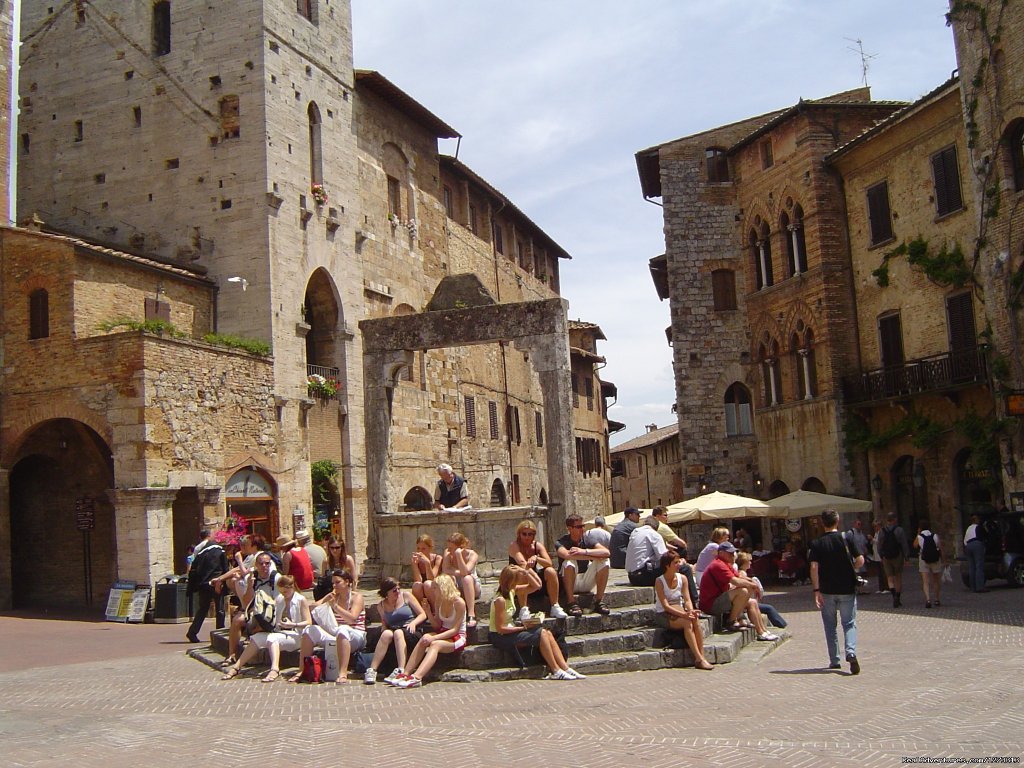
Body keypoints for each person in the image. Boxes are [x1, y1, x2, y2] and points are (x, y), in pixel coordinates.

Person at [488, 565, 584, 680]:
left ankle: (565, 668)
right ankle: (555, 670)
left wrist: (527, 571)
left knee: (547, 633)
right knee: (542, 633)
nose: (519, 581)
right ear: (511, 581)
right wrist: (523, 628)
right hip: (500, 636)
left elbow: (536, 586)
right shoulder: (500, 600)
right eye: (518, 579)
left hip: (510, 630)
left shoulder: (512, 591)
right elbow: (500, 629)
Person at [221, 575, 311, 683]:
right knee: (256, 638)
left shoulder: (301, 600)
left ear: (291, 587)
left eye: (285, 592)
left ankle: (274, 669)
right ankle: (236, 667)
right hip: (281, 632)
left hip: (297, 635)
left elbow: (308, 622)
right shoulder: (280, 599)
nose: (284, 595)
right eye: (281, 592)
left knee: (273, 638)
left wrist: (293, 624)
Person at [809, 508, 863, 675]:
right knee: (849, 623)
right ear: (837, 521)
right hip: (846, 587)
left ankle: (835, 660)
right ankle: (851, 652)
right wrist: (850, 569)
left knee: (830, 626)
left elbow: (813, 567)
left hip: (827, 589)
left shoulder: (817, 543)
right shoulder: (846, 538)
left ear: (822, 523)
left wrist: (816, 589)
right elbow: (860, 560)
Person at [393, 574, 466, 688]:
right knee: (424, 639)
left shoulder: (459, 602)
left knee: (435, 644)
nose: (433, 591)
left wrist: (434, 638)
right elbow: (437, 626)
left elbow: (455, 630)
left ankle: (417, 677)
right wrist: (428, 612)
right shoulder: (439, 601)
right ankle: (406, 673)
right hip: (442, 632)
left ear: (443, 587)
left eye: (435, 588)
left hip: (457, 636)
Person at [294, 568, 365, 684]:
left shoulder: (357, 597)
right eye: (333, 583)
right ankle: (302, 670)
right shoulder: (333, 596)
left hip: (356, 635)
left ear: (347, 582)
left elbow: (352, 619)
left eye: (338, 582)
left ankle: (343, 673)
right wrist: (325, 600)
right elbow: (312, 608)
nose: (334, 585)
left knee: (343, 629)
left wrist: (335, 607)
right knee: (309, 630)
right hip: (337, 633)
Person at [698, 542, 778, 641]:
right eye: (730, 553)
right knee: (743, 591)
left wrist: (751, 581)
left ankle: (762, 631)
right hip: (710, 605)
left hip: (719, 599)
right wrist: (753, 586)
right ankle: (731, 621)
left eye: (733, 553)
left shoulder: (725, 564)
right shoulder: (718, 565)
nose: (733, 555)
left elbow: (739, 576)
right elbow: (736, 581)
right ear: (721, 553)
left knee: (752, 602)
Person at [653, 551, 713, 671]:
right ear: (667, 565)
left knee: (694, 620)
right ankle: (698, 658)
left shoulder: (683, 578)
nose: (678, 564)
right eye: (675, 562)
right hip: (664, 614)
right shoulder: (659, 581)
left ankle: (701, 656)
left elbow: (687, 599)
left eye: (678, 561)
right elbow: (665, 605)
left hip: (679, 610)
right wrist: (684, 615)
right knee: (687, 622)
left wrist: (690, 611)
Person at [221, 552, 282, 664]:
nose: (264, 566)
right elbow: (246, 602)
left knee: (258, 622)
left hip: (272, 613)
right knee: (237, 620)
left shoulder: (276, 578)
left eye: (267, 564)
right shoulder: (252, 577)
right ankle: (231, 655)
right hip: (255, 611)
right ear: (256, 565)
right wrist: (249, 585)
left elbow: (279, 603)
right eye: (261, 564)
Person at [364, 577, 427, 685]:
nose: (397, 592)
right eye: (394, 590)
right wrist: (384, 627)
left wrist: (413, 623)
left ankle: (401, 669)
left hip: (410, 630)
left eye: (398, 589)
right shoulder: (381, 605)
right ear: (386, 593)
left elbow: (423, 614)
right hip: (394, 630)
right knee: (386, 634)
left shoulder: (406, 596)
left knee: (398, 633)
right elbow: (385, 622)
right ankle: (372, 670)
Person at [508, 520, 568, 619]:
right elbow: (522, 563)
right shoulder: (514, 546)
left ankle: (555, 606)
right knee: (523, 572)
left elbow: (549, 562)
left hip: (534, 583)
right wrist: (536, 579)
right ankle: (523, 609)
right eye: (524, 534)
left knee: (550, 571)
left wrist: (536, 558)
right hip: (518, 583)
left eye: (530, 534)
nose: (527, 537)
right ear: (519, 534)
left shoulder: (537, 546)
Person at [555, 514, 611, 617]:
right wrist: (593, 557)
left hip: (585, 580)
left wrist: (584, 551)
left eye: (583, 526)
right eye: (579, 527)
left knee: (604, 562)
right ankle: (571, 602)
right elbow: (566, 555)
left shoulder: (587, 539)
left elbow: (606, 552)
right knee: (568, 563)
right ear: (569, 528)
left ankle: (599, 601)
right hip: (570, 581)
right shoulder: (561, 541)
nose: (582, 529)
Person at [185, 530, 229, 643]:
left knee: (203, 609)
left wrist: (194, 585)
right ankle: (220, 634)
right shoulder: (220, 551)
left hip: (204, 584)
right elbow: (225, 568)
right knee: (220, 609)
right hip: (217, 582)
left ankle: (192, 632)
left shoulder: (200, 553)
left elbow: (194, 570)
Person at [440, 532, 481, 628]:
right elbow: (445, 570)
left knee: (467, 578)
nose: (449, 550)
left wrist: (458, 555)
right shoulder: (448, 553)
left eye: (452, 548)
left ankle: (471, 614)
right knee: (448, 578)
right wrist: (459, 572)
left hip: (472, 586)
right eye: (448, 547)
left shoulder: (472, 555)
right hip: (457, 586)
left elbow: (465, 572)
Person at [735, 551, 787, 628]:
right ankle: (782, 625)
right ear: (743, 563)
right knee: (769, 608)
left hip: (747, 600)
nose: (750, 563)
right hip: (745, 602)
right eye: (749, 561)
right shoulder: (742, 573)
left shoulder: (743, 573)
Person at [625, 515, 668, 586]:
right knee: (684, 569)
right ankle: (690, 596)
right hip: (645, 576)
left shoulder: (635, 533)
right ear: (656, 527)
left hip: (632, 577)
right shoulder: (654, 534)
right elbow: (665, 557)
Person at [878, 513, 909, 607]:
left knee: (890, 578)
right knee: (898, 577)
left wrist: (881, 556)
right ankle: (898, 597)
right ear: (894, 520)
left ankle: (893, 595)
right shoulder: (899, 530)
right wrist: (906, 557)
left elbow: (879, 545)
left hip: (886, 557)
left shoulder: (882, 531)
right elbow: (904, 544)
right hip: (897, 556)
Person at [912, 520, 943, 608]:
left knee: (925, 581)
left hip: (924, 559)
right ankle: (937, 599)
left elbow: (914, 545)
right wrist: (944, 560)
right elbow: (940, 547)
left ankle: (928, 599)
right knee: (936, 580)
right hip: (935, 559)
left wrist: (918, 534)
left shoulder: (919, 536)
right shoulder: (935, 536)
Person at [410, 533, 442, 608]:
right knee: (416, 585)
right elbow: (418, 580)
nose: (420, 551)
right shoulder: (416, 561)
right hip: (423, 592)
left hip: (435, 590)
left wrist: (427, 563)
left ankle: (435, 612)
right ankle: (422, 611)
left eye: (423, 549)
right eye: (418, 548)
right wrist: (414, 565)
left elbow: (431, 579)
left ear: (430, 548)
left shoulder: (437, 558)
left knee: (428, 584)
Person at [283, 530, 315, 596]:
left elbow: (285, 573)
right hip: (309, 582)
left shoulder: (288, 554)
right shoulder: (303, 550)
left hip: (298, 584)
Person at [963, 514, 988, 593]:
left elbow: (965, 540)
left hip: (968, 545)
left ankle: (973, 587)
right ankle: (980, 586)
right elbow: (985, 536)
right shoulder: (978, 527)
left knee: (971, 567)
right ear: (977, 520)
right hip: (976, 544)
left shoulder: (968, 528)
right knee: (979, 566)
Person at [846, 518, 870, 592]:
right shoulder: (851, 533)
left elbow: (864, 543)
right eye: (858, 524)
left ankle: (862, 589)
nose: (860, 526)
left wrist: (866, 549)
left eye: (861, 524)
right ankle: (857, 589)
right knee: (856, 572)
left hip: (862, 555)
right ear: (854, 524)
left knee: (862, 572)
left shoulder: (861, 533)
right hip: (854, 556)